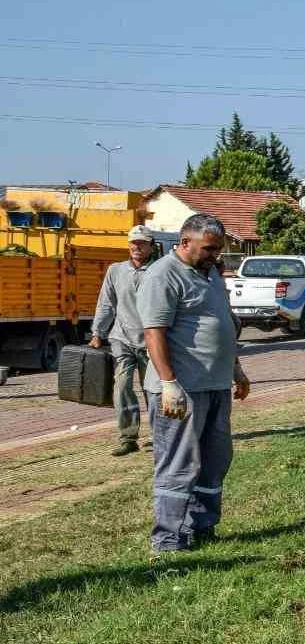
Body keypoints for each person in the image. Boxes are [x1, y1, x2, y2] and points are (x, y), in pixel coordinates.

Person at [137, 214, 250, 553]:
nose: (215, 255)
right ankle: (169, 538)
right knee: (178, 464)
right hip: (181, 390)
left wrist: (236, 369)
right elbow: (153, 332)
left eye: (218, 249)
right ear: (184, 242)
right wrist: (169, 383)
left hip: (215, 384)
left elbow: (223, 324)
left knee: (215, 460)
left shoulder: (211, 273)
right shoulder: (163, 275)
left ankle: (202, 526)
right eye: (209, 249)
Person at [90, 226, 157, 457]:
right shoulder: (116, 270)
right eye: (133, 243)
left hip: (152, 341)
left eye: (142, 243)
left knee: (153, 389)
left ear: (151, 245)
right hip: (121, 338)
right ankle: (128, 437)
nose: (137, 247)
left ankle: (160, 435)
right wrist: (97, 332)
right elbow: (106, 303)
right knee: (122, 386)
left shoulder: (159, 271)